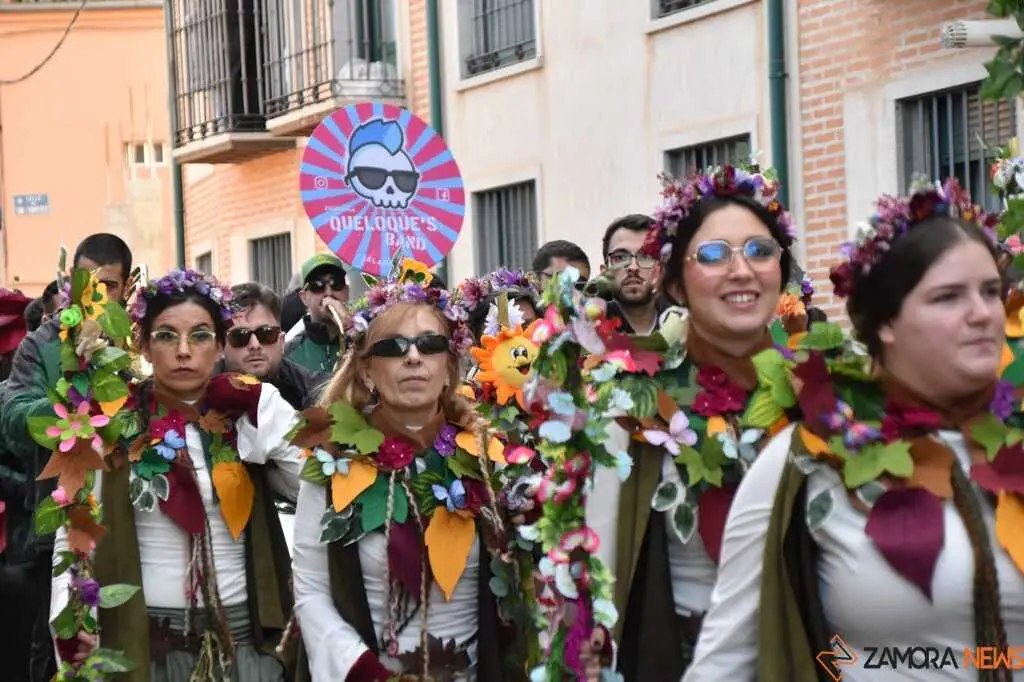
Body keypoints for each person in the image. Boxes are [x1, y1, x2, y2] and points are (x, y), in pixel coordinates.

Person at [683, 180, 1024, 681]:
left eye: (990, 291)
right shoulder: (811, 458)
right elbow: (727, 661)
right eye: (948, 297)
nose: (981, 314)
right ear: (885, 323)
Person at [290, 261, 557, 681]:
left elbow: (530, 589)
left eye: (429, 344)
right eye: (393, 347)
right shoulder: (331, 462)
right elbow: (310, 594)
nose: (413, 357)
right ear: (366, 371)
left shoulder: (492, 460)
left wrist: (536, 530)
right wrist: (364, 672)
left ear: (449, 366)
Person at [592, 166, 798, 682]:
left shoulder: (824, 397)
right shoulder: (627, 396)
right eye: (712, 254)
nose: (741, 270)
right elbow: (597, 569)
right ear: (677, 285)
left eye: (760, 251)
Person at [51, 268, 303, 682]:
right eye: (167, 336)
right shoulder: (111, 423)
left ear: (221, 345)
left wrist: (261, 407)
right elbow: (73, 534)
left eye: (201, 335)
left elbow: (317, 485)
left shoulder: (251, 409)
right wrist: (72, 618)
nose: (184, 350)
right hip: (145, 650)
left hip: (244, 647)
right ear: (144, 346)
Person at [0, 233, 132, 682]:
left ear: (127, 287)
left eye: (108, 285)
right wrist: (69, 411)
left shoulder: (144, 339)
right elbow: (13, 418)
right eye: (86, 281)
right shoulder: (42, 343)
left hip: (135, 511)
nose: (95, 293)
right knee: (56, 644)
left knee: (129, 634)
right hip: (59, 518)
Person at [225, 282, 328, 410]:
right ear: (220, 345)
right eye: (240, 335)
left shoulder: (318, 392)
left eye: (266, 333)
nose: (255, 345)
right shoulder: (201, 395)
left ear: (282, 342)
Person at [600, 214, 666, 335]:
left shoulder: (688, 328)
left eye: (646, 257)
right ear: (604, 272)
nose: (633, 267)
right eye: (620, 257)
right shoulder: (586, 329)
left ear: (662, 269)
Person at [285, 254, 350, 374]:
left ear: (346, 291)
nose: (328, 292)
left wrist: (350, 329)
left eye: (336, 283)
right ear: (304, 298)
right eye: (317, 285)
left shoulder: (364, 343)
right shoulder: (289, 355)